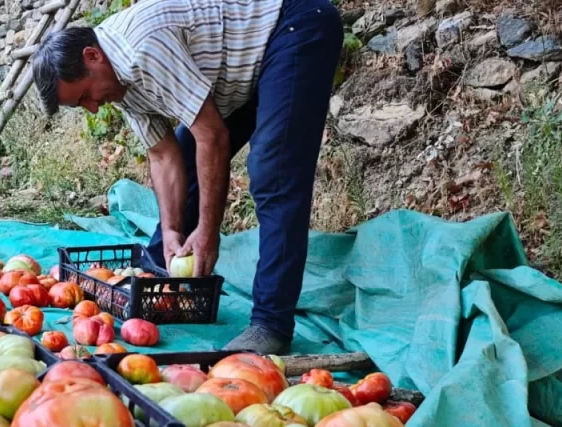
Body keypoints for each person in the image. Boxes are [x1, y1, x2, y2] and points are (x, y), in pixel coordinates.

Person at [32, 0, 343, 354]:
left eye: (86, 95)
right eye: (82, 104)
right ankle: (155, 278)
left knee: (274, 176)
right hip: (243, 67)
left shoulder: (143, 48)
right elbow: (163, 155)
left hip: (293, 27)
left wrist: (208, 232)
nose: (93, 106)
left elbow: (212, 135)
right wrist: (169, 231)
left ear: (92, 56)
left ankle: (271, 323)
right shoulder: (118, 80)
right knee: (186, 166)